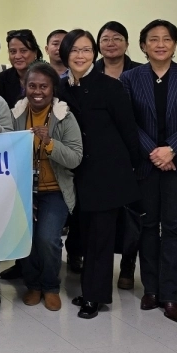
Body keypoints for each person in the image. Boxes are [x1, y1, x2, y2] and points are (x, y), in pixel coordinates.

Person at [120, 20, 177, 323]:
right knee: (148, 226)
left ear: (175, 44)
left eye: (166, 39)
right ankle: (151, 289)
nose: (160, 44)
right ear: (143, 45)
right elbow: (129, 122)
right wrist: (155, 153)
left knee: (173, 229)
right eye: (153, 39)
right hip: (146, 164)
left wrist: (171, 149)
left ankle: (170, 294)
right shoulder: (130, 78)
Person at [57, 30, 142, 320]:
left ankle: (96, 296)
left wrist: (133, 170)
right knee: (84, 235)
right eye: (74, 51)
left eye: (86, 50)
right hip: (76, 172)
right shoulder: (61, 89)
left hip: (108, 172)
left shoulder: (110, 87)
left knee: (101, 239)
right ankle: (89, 289)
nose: (80, 56)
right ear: (65, 54)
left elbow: (129, 132)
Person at [12, 62, 83, 311]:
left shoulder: (66, 116)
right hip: (23, 191)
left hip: (55, 191)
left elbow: (75, 157)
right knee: (27, 238)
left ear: (53, 88)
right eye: (32, 85)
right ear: (25, 86)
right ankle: (33, 284)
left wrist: (49, 143)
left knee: (47, 239)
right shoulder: (16, 114)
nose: (37, 91)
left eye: (44, 86)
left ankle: (51, 286)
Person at [0, 29, 43, 109]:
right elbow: (0, 111)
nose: (17, 56)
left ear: (35, 53)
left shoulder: (47, 76)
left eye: (23, 51)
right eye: (13, 51)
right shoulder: (2, 79)